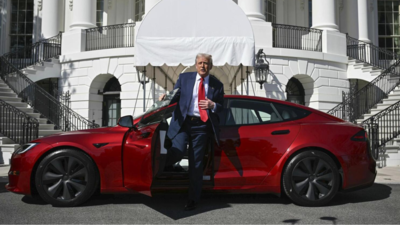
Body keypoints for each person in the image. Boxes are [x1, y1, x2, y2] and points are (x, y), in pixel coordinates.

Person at [159, 53, 224, 211]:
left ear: (211, 66)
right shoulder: (185, 78)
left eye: (206, 63)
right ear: (196, 65)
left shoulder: (217, 85)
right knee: (178, 151)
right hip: (183, 123)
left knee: (196, 163)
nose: (203, 66)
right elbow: (175, 96)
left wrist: (213, 105)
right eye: (200, 63)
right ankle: (160, 170)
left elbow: (223, 108)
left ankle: (193, 199)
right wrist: (166, 97)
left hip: (201, 127)